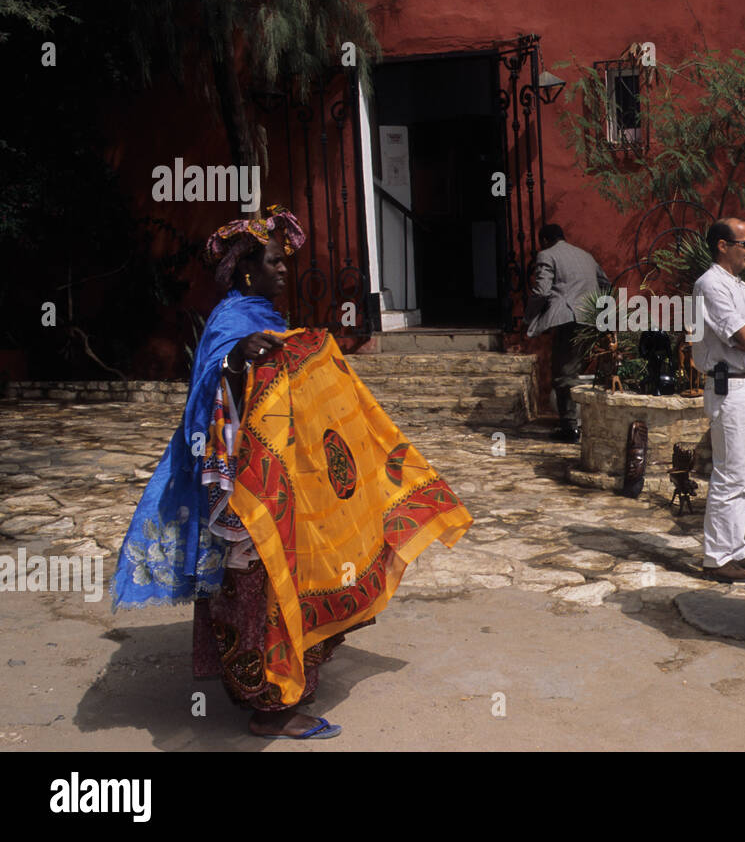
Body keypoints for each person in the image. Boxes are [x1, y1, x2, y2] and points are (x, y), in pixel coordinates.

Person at [112, 206, 474, 739]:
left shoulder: (263, 317)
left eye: (285, 262)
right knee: (257, 587)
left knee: (281, 579)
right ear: (247, 272)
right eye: (275, 263)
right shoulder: (233, 323)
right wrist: (237, 359)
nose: (285, 270)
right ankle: (270, 708)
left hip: (273, 478)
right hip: (243, 487)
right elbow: (209, 393)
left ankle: (283, 682)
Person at [691, 218, 745, 583]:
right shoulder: (710, 285)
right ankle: (716, 556)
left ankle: (736, 547)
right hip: (729, 386)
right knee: (729, 472)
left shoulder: (740, 287)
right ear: (722, 246)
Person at [525, 224, 609, 443]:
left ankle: (570, 427)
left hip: (569, 320)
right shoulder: (586, 256)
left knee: (563, 375)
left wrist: (531, 317)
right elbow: (605, 283)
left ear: (544, 240)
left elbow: (542, 291)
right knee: (577, 373)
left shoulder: (547, 255)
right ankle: (582, 423)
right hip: (592, 319)